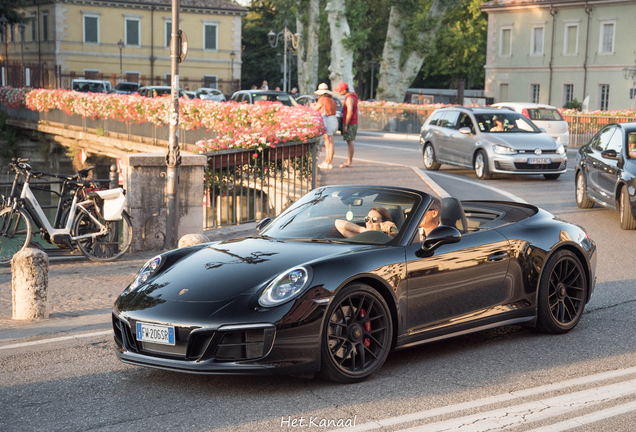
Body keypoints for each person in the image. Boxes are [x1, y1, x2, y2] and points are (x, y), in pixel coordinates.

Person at [312, 83, 338, 169]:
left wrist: (313, 105)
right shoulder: (332, 100)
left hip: (328, 121)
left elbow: (315, 109)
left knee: (328, 143)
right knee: (331, 143)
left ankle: (327, 162)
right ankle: (328, 161)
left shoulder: (322, 99)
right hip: (334, 119)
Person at [334, 82, 359, 168]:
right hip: (353, 121)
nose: (339, 92)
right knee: (349, 142)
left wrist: (345, 125)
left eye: (340, 91)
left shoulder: (349, 98)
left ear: (344, 90)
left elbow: (349, 112)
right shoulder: (354, 95)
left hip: (350, 122)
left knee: (350, 142)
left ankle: (349, 162)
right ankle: (349, 161)